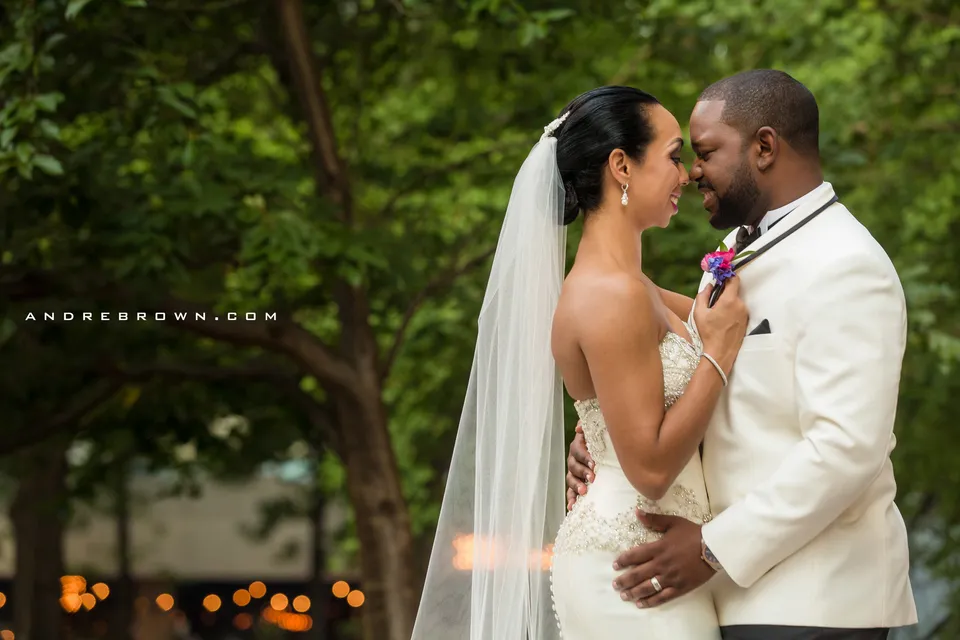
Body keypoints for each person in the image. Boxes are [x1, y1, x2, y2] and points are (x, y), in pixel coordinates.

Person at [566, 70, 919, 639]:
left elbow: (847, 446)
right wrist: (606, 430)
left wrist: (711, 548)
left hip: (814, 600)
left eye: (704, 152)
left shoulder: (846, 264)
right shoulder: (737, 248)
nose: (692, 171)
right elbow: (712, 378)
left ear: (764, 147)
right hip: (732, 597)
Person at [411, 85, 748, 640]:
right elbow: (651, 469)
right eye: (671, 156)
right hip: (629, 563)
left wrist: (594, 429)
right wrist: (717, 353)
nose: (686, 175)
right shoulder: (606, 295)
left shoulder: (634, 288)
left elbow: (733, 326)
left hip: (656, 554)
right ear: (621, 166)